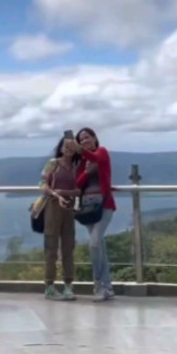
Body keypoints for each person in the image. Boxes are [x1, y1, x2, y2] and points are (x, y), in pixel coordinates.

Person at [74, 127, 116, 302]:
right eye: (81, 139)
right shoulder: (83, 161)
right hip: (88, 207)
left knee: (94, 244)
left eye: (87, 137)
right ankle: (107, 287)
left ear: (94, 138)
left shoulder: (102, 152)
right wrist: (86, 172)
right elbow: (77, 183)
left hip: (104, 205)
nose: (84, 141)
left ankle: (98, 284)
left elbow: (98, 158)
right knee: (100, 248)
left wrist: (80, 151)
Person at [37, 135, 79, 301]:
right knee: (51, 246)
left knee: (68, 246)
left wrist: (65, 193)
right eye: (65, 145)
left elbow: (79, 189)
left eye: (71, 146)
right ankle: (49, 285)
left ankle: (68, 285)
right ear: (60, 147)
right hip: (52, 206)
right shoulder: (52, 163)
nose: (68, 148)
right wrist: (56, 194)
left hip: (69, 208)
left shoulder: (77, 166)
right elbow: (42, 184)